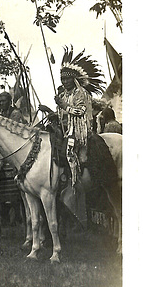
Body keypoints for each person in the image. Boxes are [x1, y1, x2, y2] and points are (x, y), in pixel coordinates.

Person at [54, 46, 103, 185]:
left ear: (74, 79)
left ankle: (75, 180)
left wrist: (63, 105)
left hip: (80, 132)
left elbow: (80, 111)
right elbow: (62, 114)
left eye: (67, 79)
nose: (64, 82)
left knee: (70, 150)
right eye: (62, 79)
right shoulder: (64, 94)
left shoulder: (81, 93)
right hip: (66, 130)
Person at [0, 91, 27, 204]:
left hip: (16, 144)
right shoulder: (0, 114)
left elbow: (12, 131)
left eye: (3, 101)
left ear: (9, 102)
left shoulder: (15, 113)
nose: (1, 103)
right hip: (4, 144)